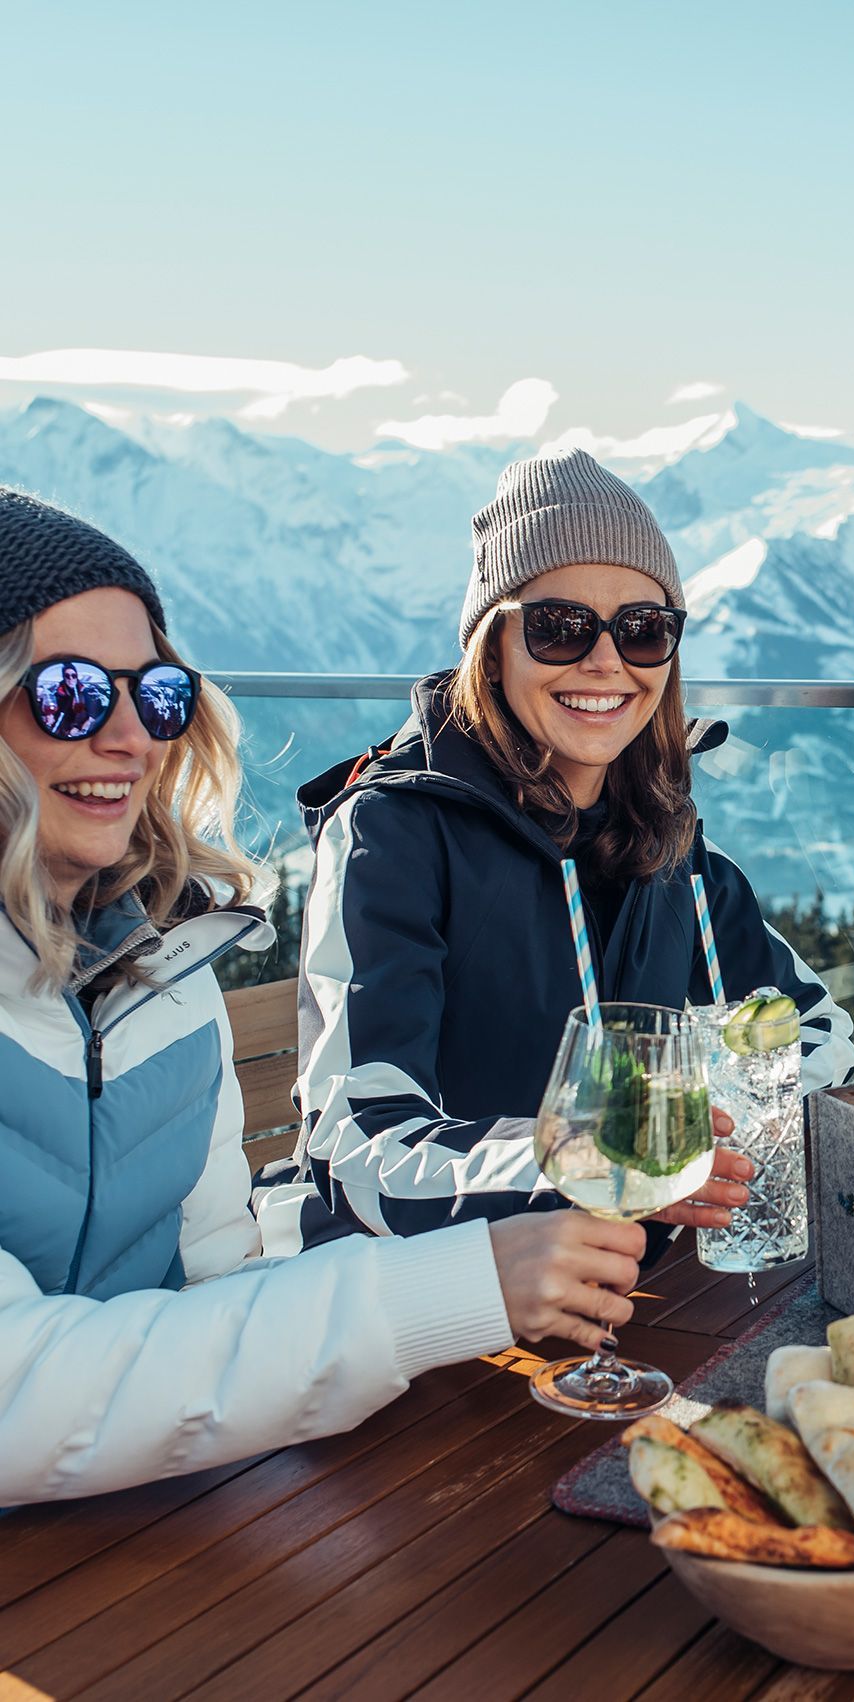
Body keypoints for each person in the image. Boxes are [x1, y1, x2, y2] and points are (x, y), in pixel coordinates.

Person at [0, 489, 673, 1504]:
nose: (130, 737)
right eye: (70, 695)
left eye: (160, 694)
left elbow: (217, 1288)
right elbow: (18, 1397)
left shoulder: (165, 972)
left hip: (158, 1522)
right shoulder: (398, 830)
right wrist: (458, 1282)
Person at [271, 449, 854, 1252]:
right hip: (433, 1307)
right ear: (492, 645)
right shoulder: (392, 833)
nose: (607, 661)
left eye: (644, 630)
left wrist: (738, 1116)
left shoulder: (662, 833)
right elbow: (358, 1142)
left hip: (639, 1290)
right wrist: (584, 1166)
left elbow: (815, 1024)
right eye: (560, 627)